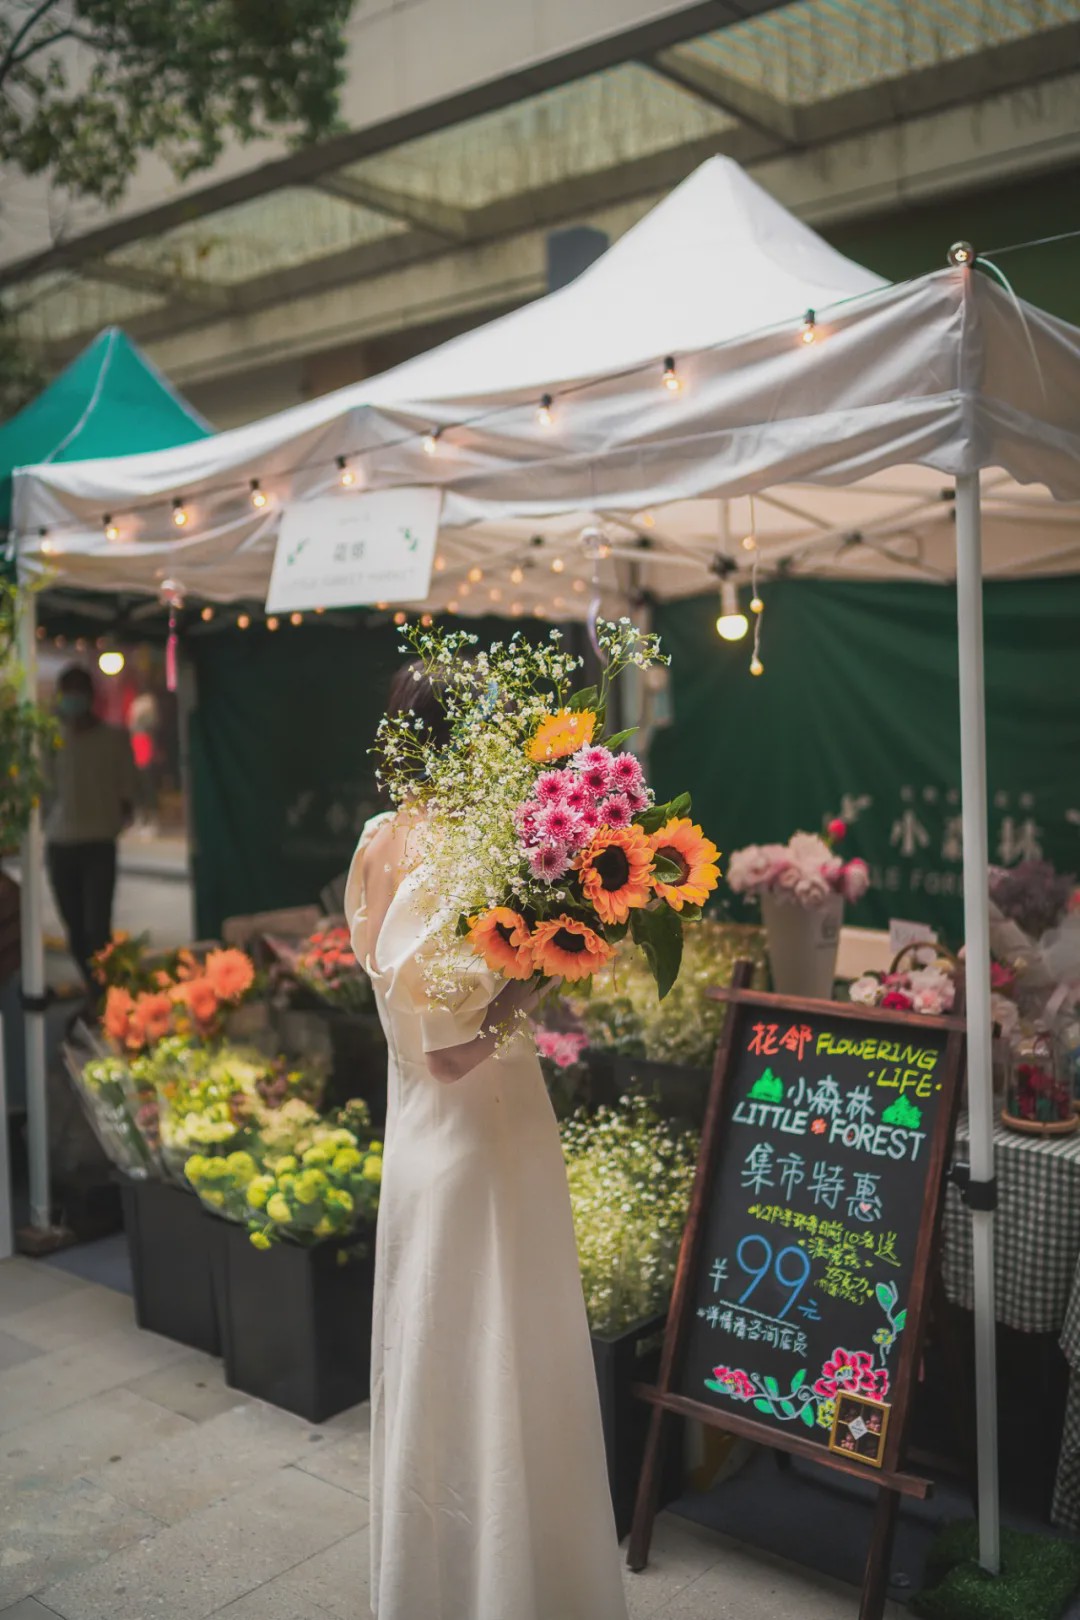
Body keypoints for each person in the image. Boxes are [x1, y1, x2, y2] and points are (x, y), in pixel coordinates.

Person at [344, 663, 629, 1620]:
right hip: (482, 1133)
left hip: (422, 1145)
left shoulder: (376, 842)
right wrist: (535, 983)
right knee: (507, 1349)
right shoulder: (465, 850)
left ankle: (438, 1588)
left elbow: (396, 1008)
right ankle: (517, 1590)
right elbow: (450, 1052)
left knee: (436, 1352)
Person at [46, 664, 138, 990]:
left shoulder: (113, 739)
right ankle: (99, 992)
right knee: (75, 931)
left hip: (98, 843)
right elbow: (43, 790)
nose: (71, 699)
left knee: (97, 929)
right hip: (60, 844)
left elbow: (129, 793)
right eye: (66, 692)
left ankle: (106, 995)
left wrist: (116, 818)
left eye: (77, 691)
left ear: (90, 696)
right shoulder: (52, 739)